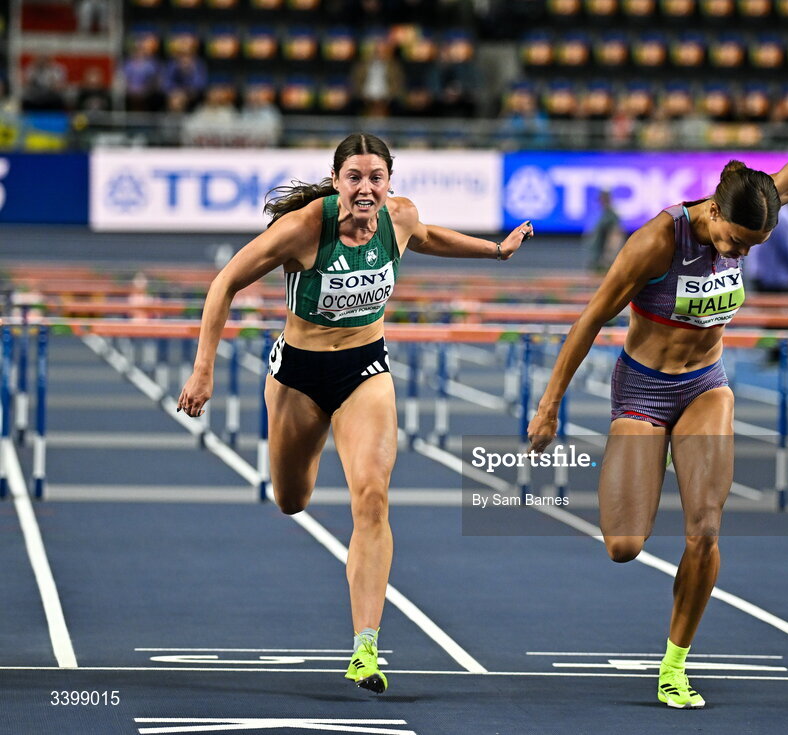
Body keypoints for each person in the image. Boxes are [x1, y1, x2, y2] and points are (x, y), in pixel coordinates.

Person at [527, 19, 788, 709]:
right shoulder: (657, 240)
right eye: (734, 242)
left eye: (751, 246)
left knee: (705, 527)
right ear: (713, 212)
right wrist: (551, 402)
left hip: (706, 385)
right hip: (643, 390)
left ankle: (674, 663)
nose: (738, 255)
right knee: (623, 543)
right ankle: (648, 457)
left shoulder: (757, 200)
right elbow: (590, 318)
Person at [177, 133, 533, 694]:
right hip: (298, 374)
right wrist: (203, 370)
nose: (366, 188)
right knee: (291, 499)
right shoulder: (302, 229)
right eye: (355, 177)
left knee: (372, 495)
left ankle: (365, 647)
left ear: (389, 181)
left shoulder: (400, 217)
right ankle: (301, 470)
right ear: (338, 180)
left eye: (376, 177)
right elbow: (224, 283)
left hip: (365, 371)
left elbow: (430, 236)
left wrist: (495, 250)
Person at [583, 189, 626, 273]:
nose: (601, 201)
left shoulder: (611, 215)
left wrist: (608, 258)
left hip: (605, 259)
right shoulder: (602, 214)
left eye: (603, 199)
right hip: (597, 256)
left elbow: (615, 237)